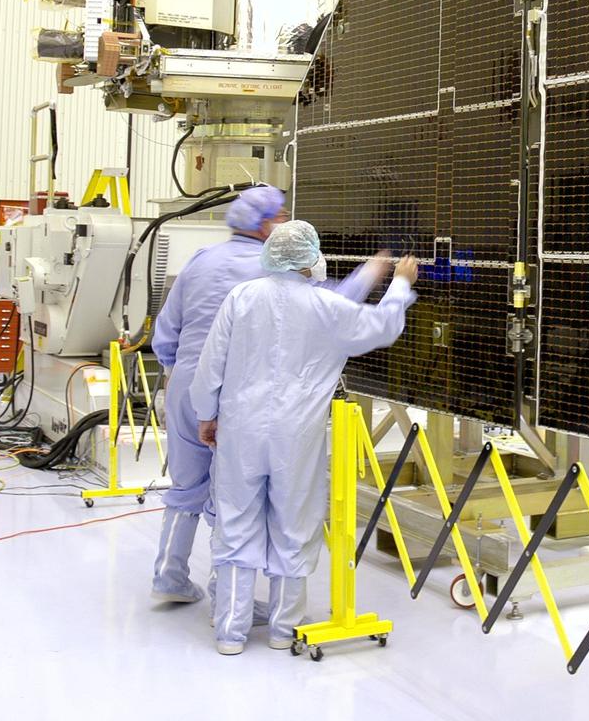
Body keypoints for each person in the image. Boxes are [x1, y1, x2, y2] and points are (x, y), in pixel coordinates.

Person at [191, 220, 419, 655]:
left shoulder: (241, 298)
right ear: (311, 258)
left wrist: (207, 414)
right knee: (293, 524)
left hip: (239, 429)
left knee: (236, 521)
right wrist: (400, 285)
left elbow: (211, 363)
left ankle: (231, 632)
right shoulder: (326, 307)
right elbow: (383, 327)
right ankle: (282, 629)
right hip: (298, 435)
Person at [149, 186, 384, 605]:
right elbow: (333, 308)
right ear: (263, 225)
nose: (289, 226)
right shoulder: (269, 272)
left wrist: (174, 377)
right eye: (283, 217)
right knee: (232, 500)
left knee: (185, 486)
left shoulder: (202, 260)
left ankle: (169, 574)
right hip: (234, 396)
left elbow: (166, 331)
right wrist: (375, 271)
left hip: (184, 384)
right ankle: (228, 602)